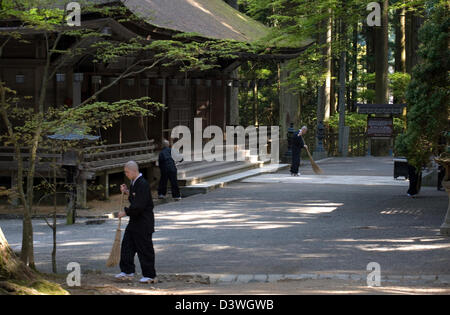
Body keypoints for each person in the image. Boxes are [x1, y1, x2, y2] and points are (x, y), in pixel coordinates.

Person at [115, 161, 157, 284]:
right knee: (127, 246)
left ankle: (150, 275)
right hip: (135, 221)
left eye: (127, 172)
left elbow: (139, 205)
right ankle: (127, 271)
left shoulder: (142, 183)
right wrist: (127, 191)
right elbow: (135, 198)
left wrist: (125, 212)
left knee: (144, 249)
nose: (126, 174)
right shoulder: (134, 182)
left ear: (133, 171)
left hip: (143, 221)